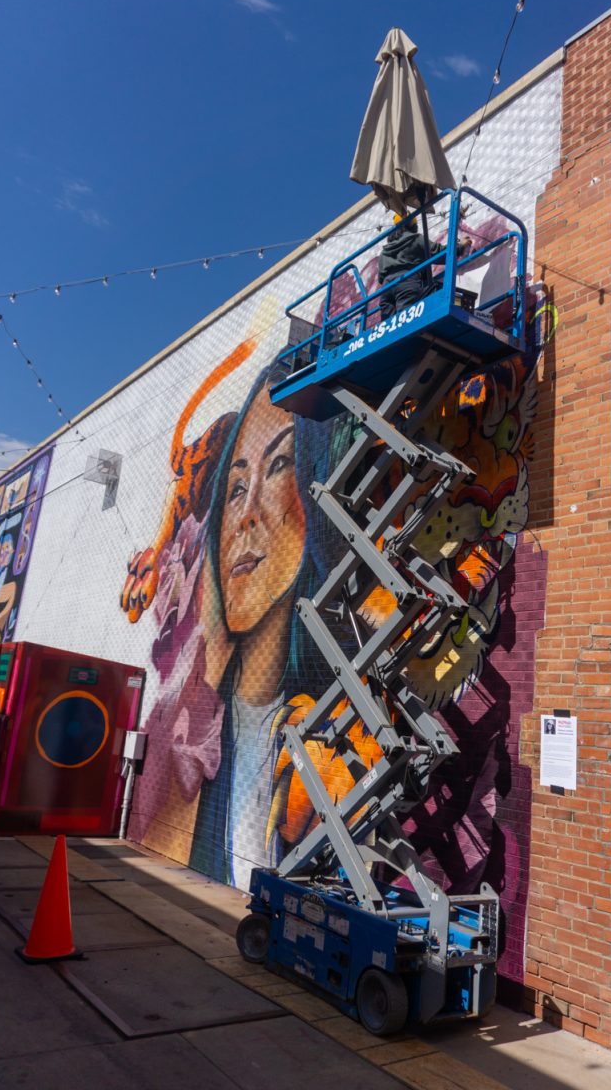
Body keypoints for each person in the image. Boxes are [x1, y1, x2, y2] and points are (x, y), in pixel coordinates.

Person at [187, 362, 347, 887]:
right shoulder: (212, 730)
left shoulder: (329, 726)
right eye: (235, 488)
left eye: (279, 464)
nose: (246, 513)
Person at [377, 213, 469, 320]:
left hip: (386, 289)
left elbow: (381, 278)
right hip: (407, 283)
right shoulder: (415, 239)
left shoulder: (384, 251)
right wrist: (461, 246)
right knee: (405, 324)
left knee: (389, 328)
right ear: (413, 226)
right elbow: (441, 253)